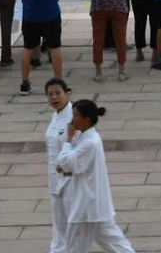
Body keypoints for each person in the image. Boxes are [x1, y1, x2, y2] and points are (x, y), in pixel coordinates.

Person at [54, 100, 138, 253]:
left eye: (76, 115)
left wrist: (68, 139)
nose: (72, 120)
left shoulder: (90, 142)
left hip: (86, 206)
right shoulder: (87, 138)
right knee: (116, 244)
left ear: (87, 119)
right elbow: (70, 164)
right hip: (94, 205)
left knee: (73, 247)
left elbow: (66, 162)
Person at [44, 78, 74, 253]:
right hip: (55, 181)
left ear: (66, 93)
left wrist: (67, 167)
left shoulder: (74, 116)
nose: (54, 97)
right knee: (59, 225)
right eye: (50, 94)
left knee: (76, 226)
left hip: (71, 181)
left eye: (58, 93)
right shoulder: (55, 116)